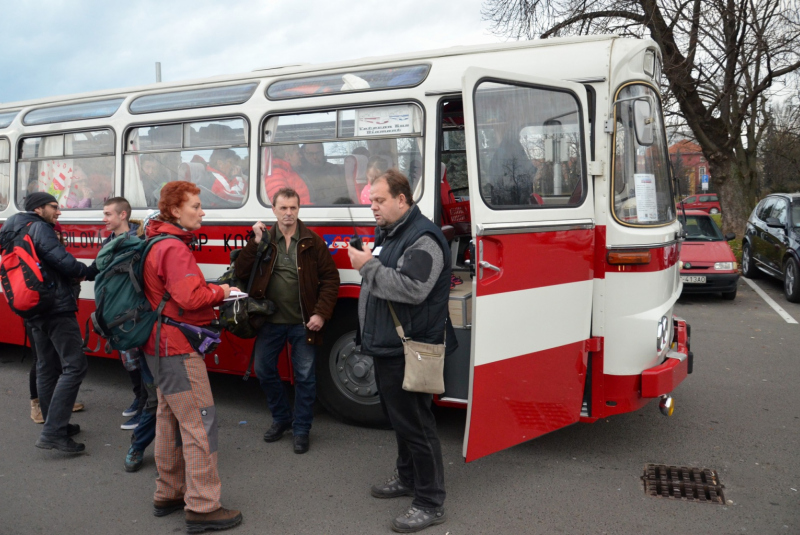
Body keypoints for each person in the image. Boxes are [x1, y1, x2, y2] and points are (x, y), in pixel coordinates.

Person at [347, 169, 452, 533]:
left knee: (417, 426)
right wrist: (371, 259)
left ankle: (429, 501)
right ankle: (407, 479)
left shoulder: (423, 238)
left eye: (379, 200)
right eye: (371, 200)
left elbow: (411, 289)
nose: (372, 207)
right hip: (389, 346)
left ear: (402, 200)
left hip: (409, 349)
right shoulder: (392, 232)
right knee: (403, 422)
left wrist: (367, 266)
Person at [142, 181, 242, 531]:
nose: (202, 211)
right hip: (179, 349)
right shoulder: (174, 248)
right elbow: (191, 298)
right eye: (196, 206)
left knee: (168, 419)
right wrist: (223, 290)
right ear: (174, 211)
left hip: (158, 346)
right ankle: (202, 507)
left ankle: (168, 492)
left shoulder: (155, 240)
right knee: (200, 423)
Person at [235, 187, 339, 454]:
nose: (289, 213)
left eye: (293, 208)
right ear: (273, 209)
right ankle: (282, 419)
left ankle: (302, 429)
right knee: (264, 370)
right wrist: (254, 242)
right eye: (283, 208)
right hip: (269, 322)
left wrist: (320, 313)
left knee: (305, 377)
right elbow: (241, 271)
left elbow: (330, 280)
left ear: (299, 209)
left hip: (303, 323)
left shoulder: (313, 242)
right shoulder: (265, 239)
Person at [0, 192, 89, 453]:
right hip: (54, 306)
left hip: (31, 306)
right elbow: (63, 261)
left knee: (46, 366)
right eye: (54, 207)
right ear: (38, 209)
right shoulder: (40, 228)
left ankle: (54, 423)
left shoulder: (12, 229)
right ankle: (54, 432)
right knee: (75, 366)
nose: (58, 212)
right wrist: (86, 271)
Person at [84, 198, 149, 433]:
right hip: (116, 309)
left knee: (139, 359)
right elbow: (95, 270)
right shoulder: (109, 241)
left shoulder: (140, 241)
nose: (104, 219)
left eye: (108, 214)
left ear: (123, 215)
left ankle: (144, 407)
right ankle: (138, 397)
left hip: (134, 310)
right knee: (128, 359)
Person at [27, 222, 85, 423]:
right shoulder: (49, 257)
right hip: (46, 314)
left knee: (51, 362)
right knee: (43, 363)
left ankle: (55, 406)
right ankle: (37, 406)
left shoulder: (53, 255)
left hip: (43, 314)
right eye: (57, 235)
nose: (60, 239)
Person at [485, 126, 537, 206]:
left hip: (506, 200)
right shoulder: (513, 151)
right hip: (512, 200)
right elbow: (527, 174)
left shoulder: (501, 153)